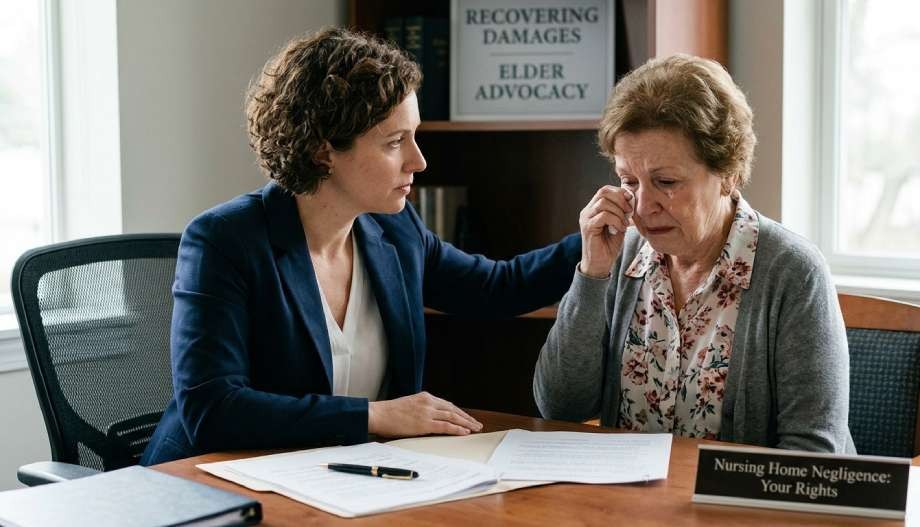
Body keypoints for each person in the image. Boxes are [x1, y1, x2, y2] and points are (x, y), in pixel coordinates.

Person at [141, 27, 580, 465]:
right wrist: (374, 416)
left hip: (336, 480)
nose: (419, 161)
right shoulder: (224, 241)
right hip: (212, 484)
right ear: (322, 151)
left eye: (414, 136)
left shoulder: (395, 229)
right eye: (394, 142)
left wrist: (601, 237)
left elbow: (497, 289)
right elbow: (213, 409)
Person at [533, 54, 855, 453]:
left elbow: (813, 453)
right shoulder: (623, 254)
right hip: (628, 508)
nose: (643, 205)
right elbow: (559, 407)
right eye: (628, 180)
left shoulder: (794, 272)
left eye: (666, 182)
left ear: (728, 174)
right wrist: (592, 274)